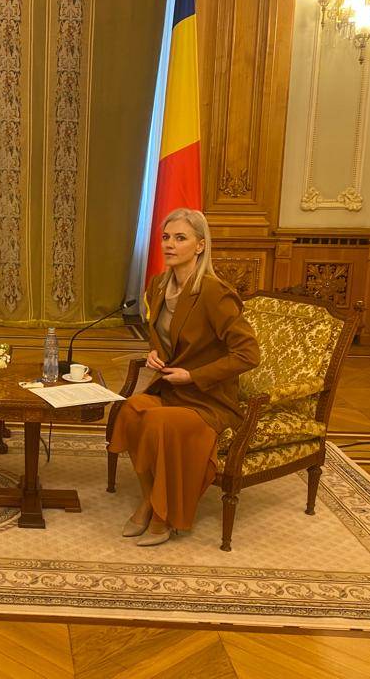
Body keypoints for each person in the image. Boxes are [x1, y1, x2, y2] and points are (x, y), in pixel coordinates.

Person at [108, 208, 259, 546]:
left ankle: (162, 515)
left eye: (180, 238)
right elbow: (163, 336)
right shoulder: (158, 285)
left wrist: (193, 375)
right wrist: (154, 351)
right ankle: (150, 500)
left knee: (158, 422)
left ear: (200, 246)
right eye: (166, 237)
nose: (169, 244)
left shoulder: (214, 292)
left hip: (208, 399)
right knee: (131, 410)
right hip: (171, 391)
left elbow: (249, 354)